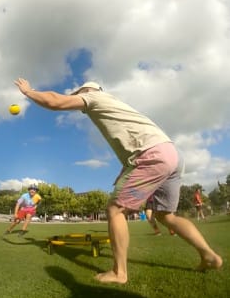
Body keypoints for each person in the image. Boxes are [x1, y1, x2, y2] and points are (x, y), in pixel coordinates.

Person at [14, 78, 222, 284]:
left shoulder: (94, 97)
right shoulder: (116, 105)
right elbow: (133, 145)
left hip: (153, 156)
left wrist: (29, 91)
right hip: (172, 155)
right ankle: (208, 255)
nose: (77, 99)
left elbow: (54, 101)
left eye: (78, 94)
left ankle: (119, 272)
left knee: (115, 210)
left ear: (87, 90)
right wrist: (125, 171)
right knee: (165, 215)